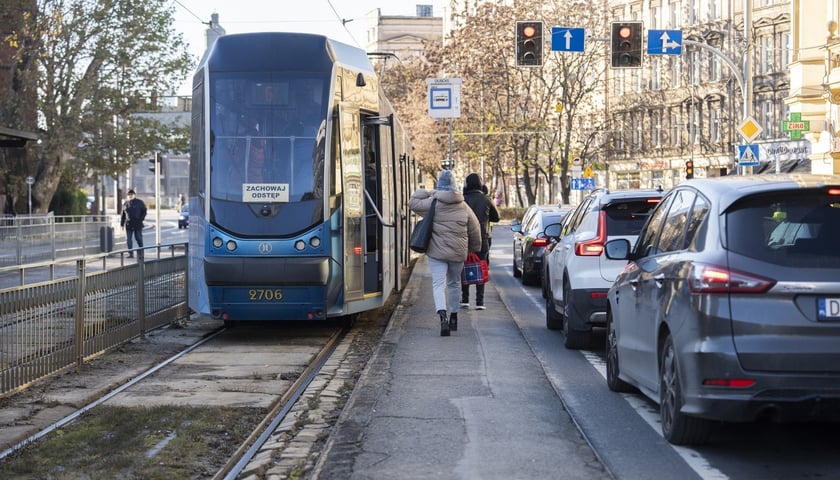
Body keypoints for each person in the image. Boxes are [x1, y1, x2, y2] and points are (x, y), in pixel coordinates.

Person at [409, 169, 481, 336]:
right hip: (458, 253)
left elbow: (413, 201)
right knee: (454, 283)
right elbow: (475, 230)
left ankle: (443, 317)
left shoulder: (433, 203)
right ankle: (454, 316)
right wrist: (473, 249)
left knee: (438, 285)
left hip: (437, 253)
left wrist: (430, 191)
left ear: (439, 185)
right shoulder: (464, 206)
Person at [460, 174, 500, 310]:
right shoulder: (486, 199)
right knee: (481, 267)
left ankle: (464, 299)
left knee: (464, 267)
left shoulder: (462, 200)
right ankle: (480, 302)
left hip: (465, 239)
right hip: (483, 238)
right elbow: (497, 217)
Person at [120, 189, 147, 258]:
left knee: (138, 238)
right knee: (128, 239)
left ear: (134, 195)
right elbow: (123, 214)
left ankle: (141, 252)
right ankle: (130, 253)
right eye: (129, 195)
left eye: (131, 194)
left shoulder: (140, 202)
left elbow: (144, 211)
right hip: (128, 224)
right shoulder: (125, 203)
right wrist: (122, 224)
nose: (130, 196)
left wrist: (141, 219)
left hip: (137, 223)